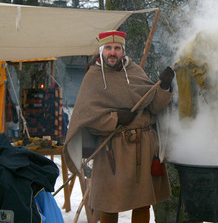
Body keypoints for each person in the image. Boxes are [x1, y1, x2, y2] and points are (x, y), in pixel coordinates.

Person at [63, 30, 175, 223]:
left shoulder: (134, 71)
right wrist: (115, 119)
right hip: (112, 149)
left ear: (122, 50)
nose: (112, 53)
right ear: (101, 51)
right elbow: (87, 118)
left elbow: (154, 106)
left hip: (144, 147)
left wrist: (164, 87)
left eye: (116, 48)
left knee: (143, 202)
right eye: (108, 48)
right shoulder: (93, 77)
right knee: (109, 203)